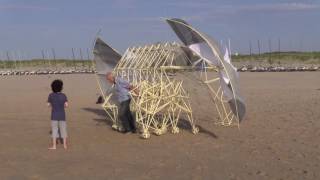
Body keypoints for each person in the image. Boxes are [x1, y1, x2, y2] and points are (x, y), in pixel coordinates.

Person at [47, 79, 68, 150]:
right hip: (62, 115)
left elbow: (48, 104)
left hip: (54, 115)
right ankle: (65, 145)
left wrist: (52, 104)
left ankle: (54, 146)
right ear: (61, 87)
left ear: (52, 87)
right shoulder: (63, 95)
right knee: (63, 130)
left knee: (54, 130)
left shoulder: (51, 95)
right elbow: (66, 105)